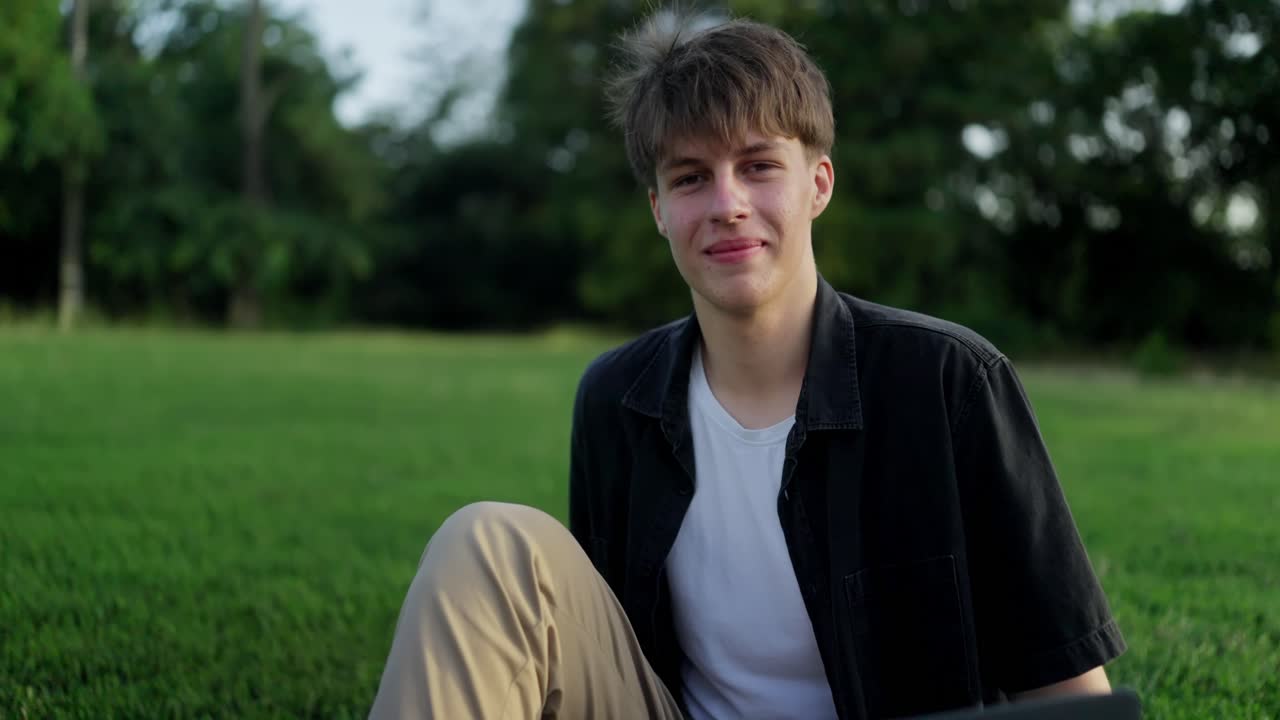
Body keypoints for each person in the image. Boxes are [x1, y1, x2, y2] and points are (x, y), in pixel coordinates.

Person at [368, 10, 1126, 720]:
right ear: (661, 210)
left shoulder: (948, 382)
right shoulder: (616, 398)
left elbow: (1067, 682)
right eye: (691, 177)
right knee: (489, 540)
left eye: (758, 166)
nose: (727, 203)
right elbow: (600, 652)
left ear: (817, 184)